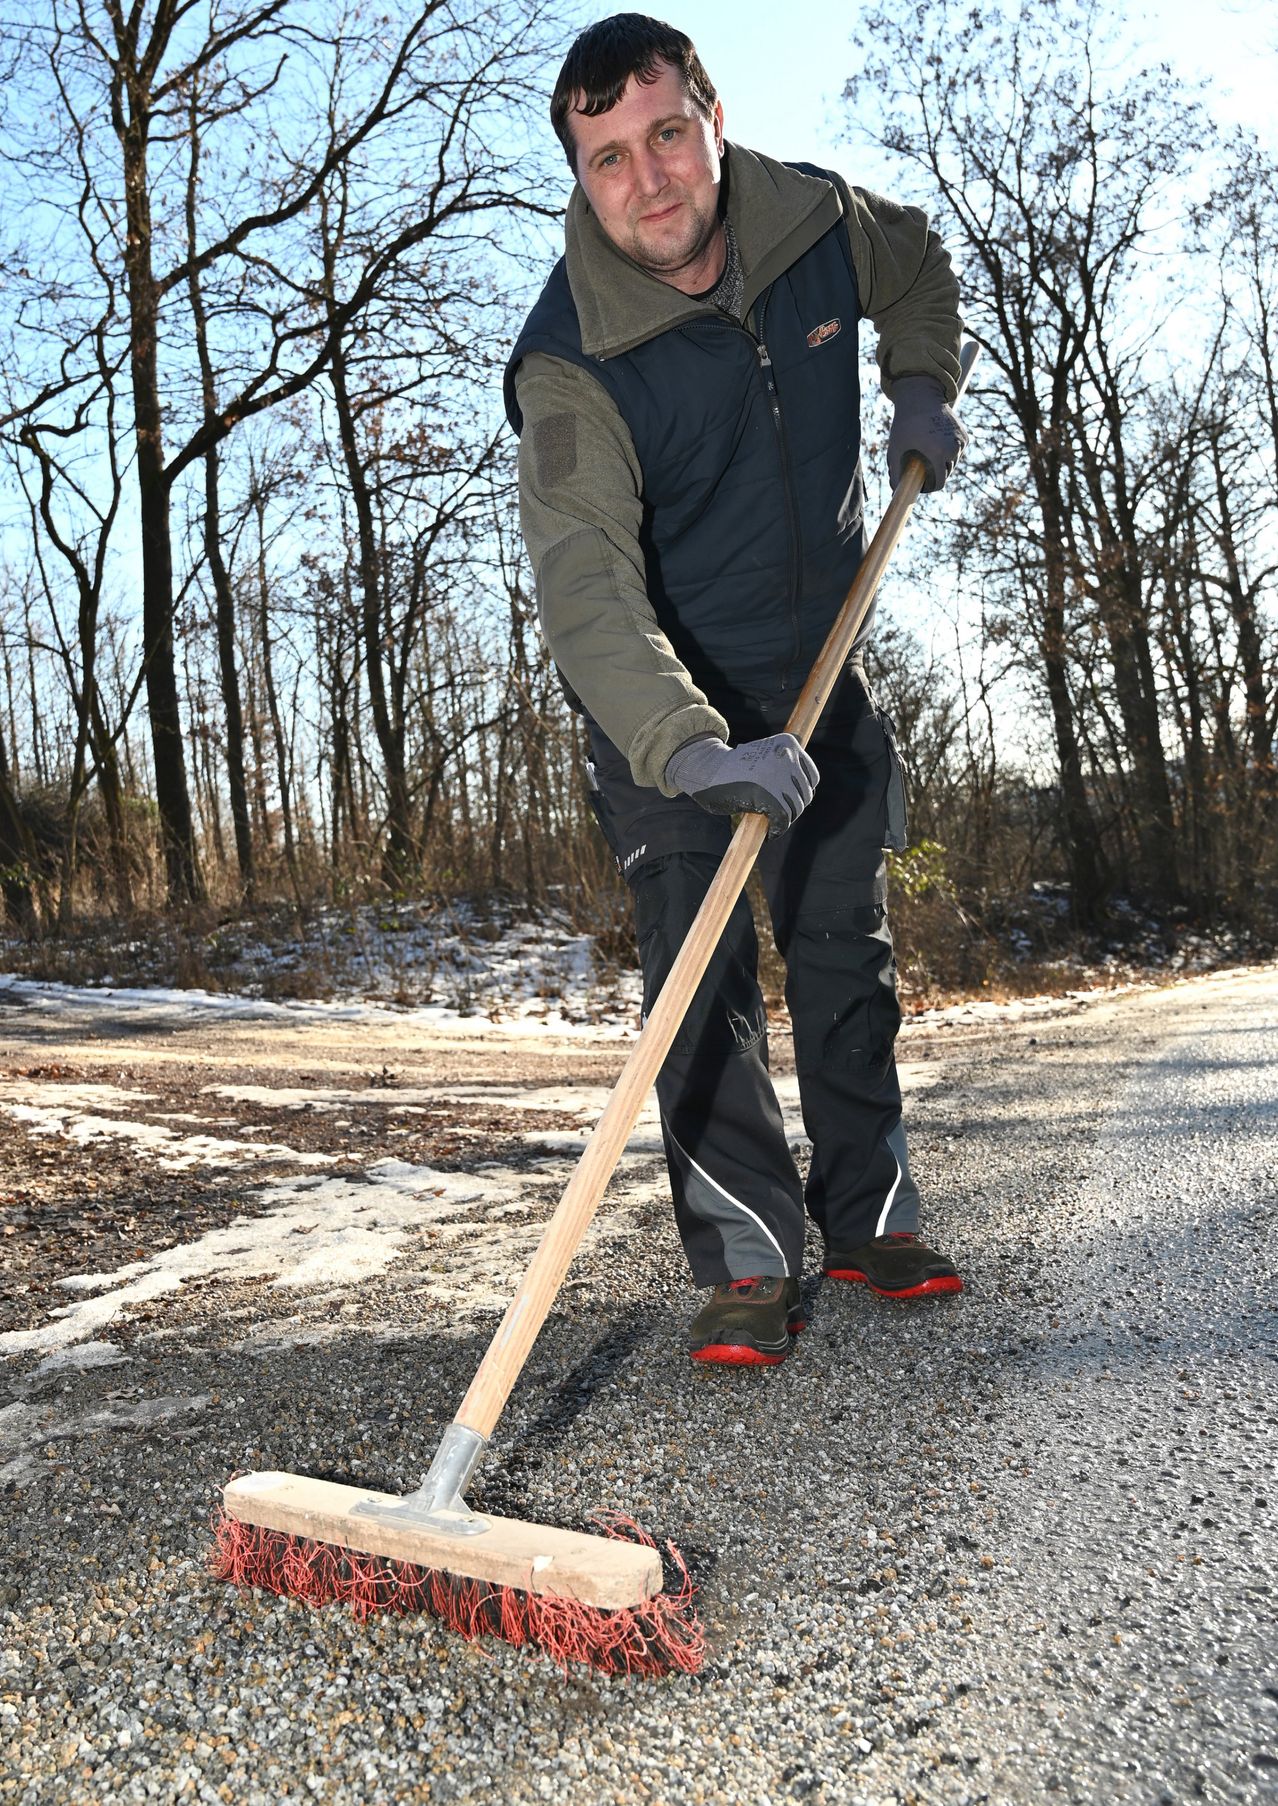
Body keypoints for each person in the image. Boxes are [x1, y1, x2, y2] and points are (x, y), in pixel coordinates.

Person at [505, 14, 968, 1366]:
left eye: (663, 134)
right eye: (605, 160)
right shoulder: (569, 358)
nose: (646, 182)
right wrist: (688, 747)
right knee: (696, 969)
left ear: (709, 115)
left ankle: (869, 1210)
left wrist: (919, 382)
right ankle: (748, 1257)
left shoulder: (811, 221)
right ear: (580, 181)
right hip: (662, 692)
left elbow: (921, 262)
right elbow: (584, 581)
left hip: (816, 659)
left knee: (840, 944)